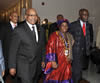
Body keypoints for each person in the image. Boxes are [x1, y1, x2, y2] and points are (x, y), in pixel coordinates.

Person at [8, 8, 45, 83]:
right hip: (24, 65)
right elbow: (13, 50)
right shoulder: (19, 30)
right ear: (25, 16)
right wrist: (12, 66)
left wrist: (43, 60)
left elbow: (42, 46)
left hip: (37, 64)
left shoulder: (41, 29)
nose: (34, 17)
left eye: (35, 15)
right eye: (31, 15)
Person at [69, 8, 91, 83]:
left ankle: (76, 80)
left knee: (80, 70)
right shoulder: (73, 25)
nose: (86, 16)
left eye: (87, 15)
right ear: (80, 15)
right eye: (84, 15)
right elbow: (68, 36)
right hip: (76, 51)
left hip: (85, 52)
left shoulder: (88, 25)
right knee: (76, 70)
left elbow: (89, 37)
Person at [1, 12, 19, 83]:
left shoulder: (20, 27)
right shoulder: (4, 27)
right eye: (14, 16)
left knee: (16, 75)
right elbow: (1, 41)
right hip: (6, 55)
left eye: (17, 16)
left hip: (17, 55)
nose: (16, 18)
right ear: (10, 17)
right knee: (4, 74)